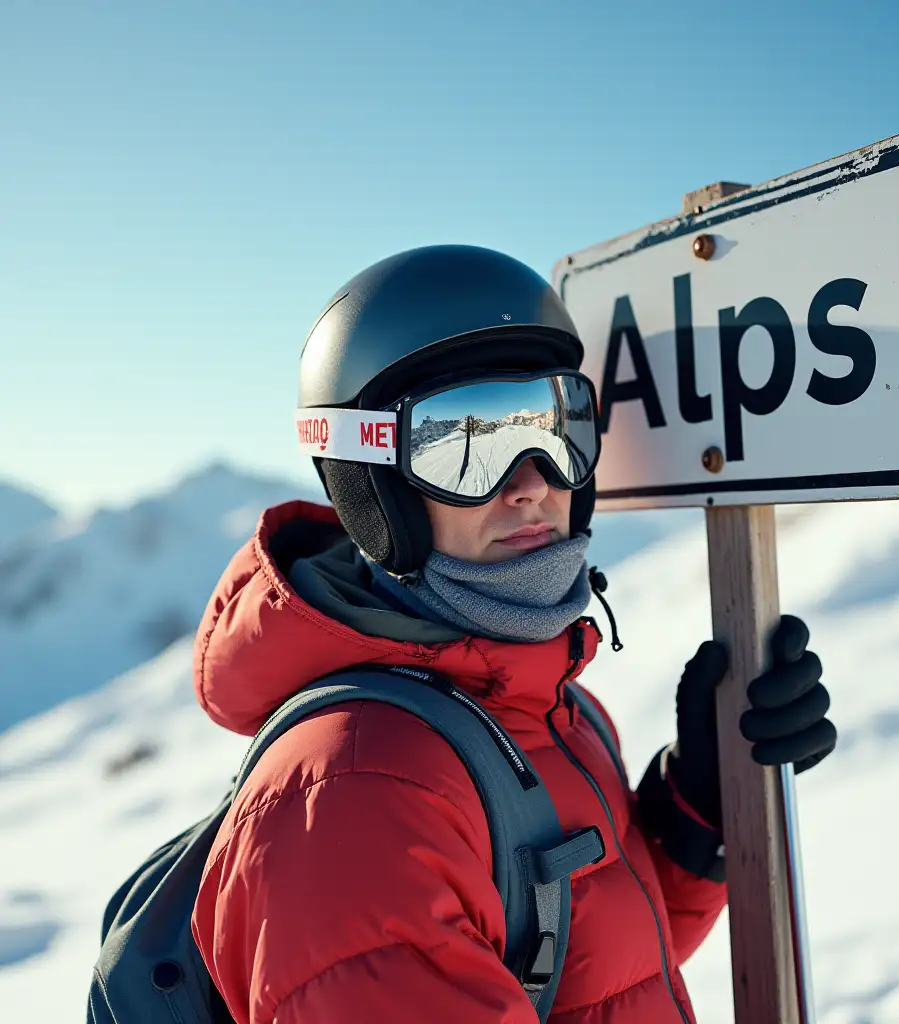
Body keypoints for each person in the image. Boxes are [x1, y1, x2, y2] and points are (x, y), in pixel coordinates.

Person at [190, 245, 836, 1023]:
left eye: (553, 423)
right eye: (463, 444)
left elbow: (589, 971)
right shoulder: (358, 796)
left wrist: (694, 811)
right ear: (373, 487)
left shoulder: (542, 706)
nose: (533, 482)